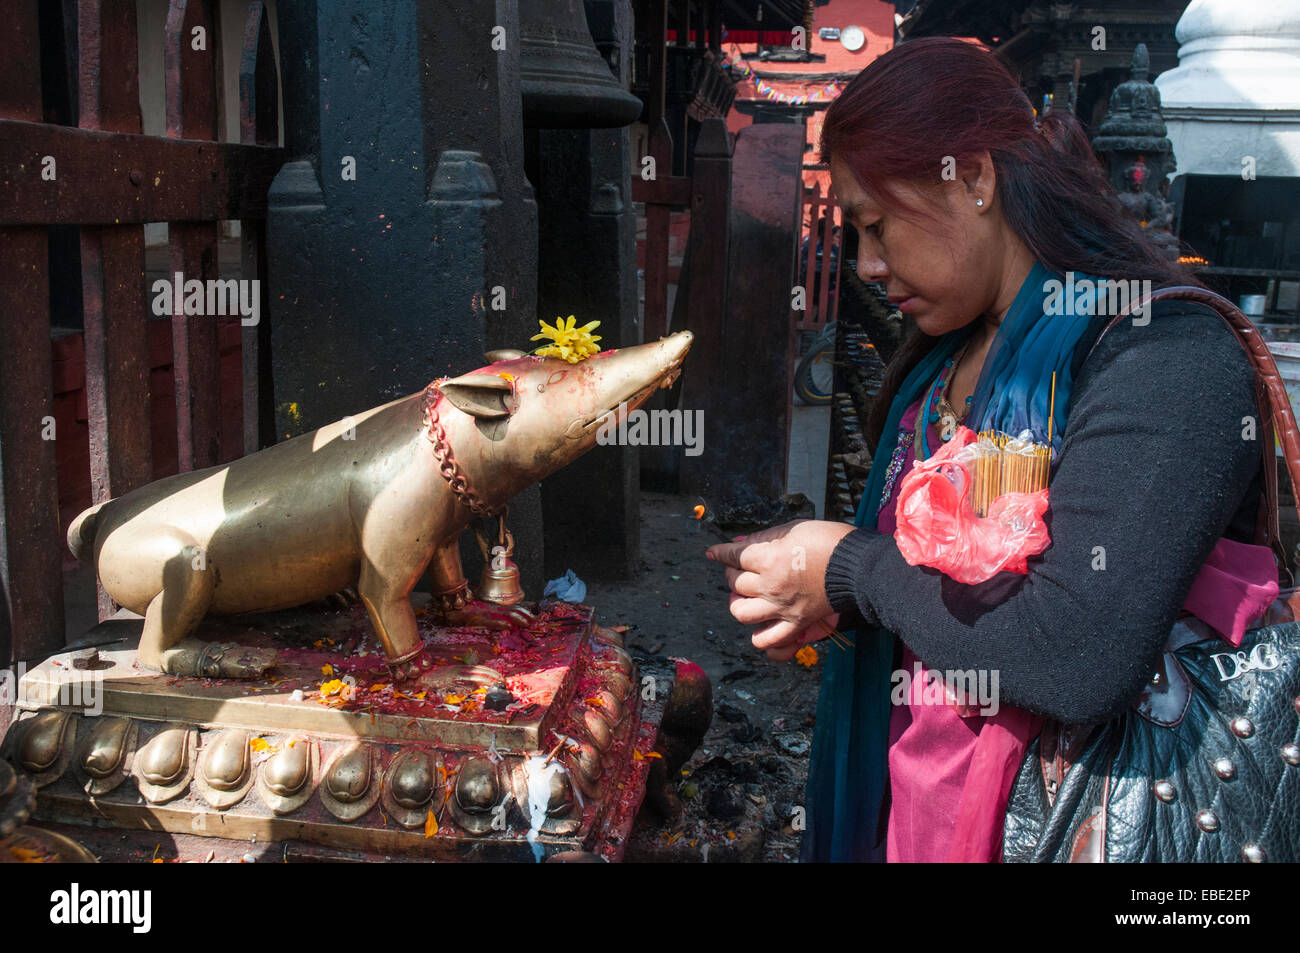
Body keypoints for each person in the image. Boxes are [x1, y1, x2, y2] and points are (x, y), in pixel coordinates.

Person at [705, 38, 1279, 862]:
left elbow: (1081, 651)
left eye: (878, 226)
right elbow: (928, 590)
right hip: (913, 803)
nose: (868, 265)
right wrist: (826, 586)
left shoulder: (1162, 354)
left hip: (1080, 821)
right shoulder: (942, 357)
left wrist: (853, 570)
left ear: (970, 178)